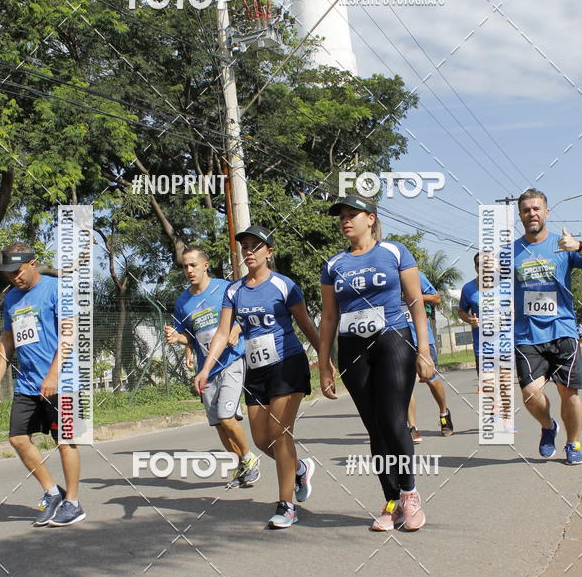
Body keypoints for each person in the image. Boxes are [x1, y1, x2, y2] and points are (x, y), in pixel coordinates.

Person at [318, 195, 434, 532]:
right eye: (341, 216)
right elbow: (328, 317)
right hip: (353, 348)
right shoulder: (332, 264)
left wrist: (423, 350)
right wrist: (324, 364)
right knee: (374, 426)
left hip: (393, 341)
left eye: (352, 214)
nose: (345, 220)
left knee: (393, 419)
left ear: (371, 219)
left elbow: (415, 303)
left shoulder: (395, 252)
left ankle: (409, 493)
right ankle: (391, 501)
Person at [194, 226, 321, 528]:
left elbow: (305, 323)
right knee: (262, 440)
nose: (249, 251)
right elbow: (224, 332)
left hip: (287, 364)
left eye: (256, 246)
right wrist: (205, 368)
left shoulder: (283, 285)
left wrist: (326, 361)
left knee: (279, 435)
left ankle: (286, 506)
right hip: (256, 369)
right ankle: (300, 469)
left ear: (269, 252)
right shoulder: (234, 291)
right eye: (245, 246)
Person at [0, 243, 85, 526]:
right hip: (28, 383)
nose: (14, 278)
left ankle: (74, 503)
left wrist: (53, 375)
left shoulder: (57, 289)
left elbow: (69, 335)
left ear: (32, 264)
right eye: (9, 274)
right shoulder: (12, 299)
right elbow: (8, 341)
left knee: (66, 441)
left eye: (18, 271)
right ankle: (52, 492)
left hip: (63, 380)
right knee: (17, 438)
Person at [164, 246, 259, 488]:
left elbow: (244, 315)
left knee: (227, 416)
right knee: (218, 423)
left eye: (193, 265)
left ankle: (250, 459)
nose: (189, 270)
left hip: (231, 360)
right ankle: (242, 467)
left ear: (205, 265)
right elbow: (189, 335)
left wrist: (236, 330)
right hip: (206, 367)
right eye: (185, 266)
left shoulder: (225, 288)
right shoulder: (183, 302)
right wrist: (179, 340)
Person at [514, 189, 582, 464]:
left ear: (546, 212)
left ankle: (573, 443)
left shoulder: (563, 245)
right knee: (530, 394)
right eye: (526, 210)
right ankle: (548, 426)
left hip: (563, 329)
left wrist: (579, 246)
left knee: (569, 392)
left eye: (536, 208)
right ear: (520, 215)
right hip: (526, 334)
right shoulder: (510, 252)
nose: (531, 213)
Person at [403, 270, 454, 442]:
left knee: (430, 379)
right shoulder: (381, 279)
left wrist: (412, 296)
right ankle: (412, 427)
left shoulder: (414, 274)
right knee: (405, 385)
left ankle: (444, 413)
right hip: (399, 340)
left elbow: (436, 298)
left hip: (423, 339)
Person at [458, 252, 481, 381]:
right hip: (482, 347)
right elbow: (461, 311)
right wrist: (470, 319)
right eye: (479, 264)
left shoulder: (505, 285)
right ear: (475, 267)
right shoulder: (468, 288)